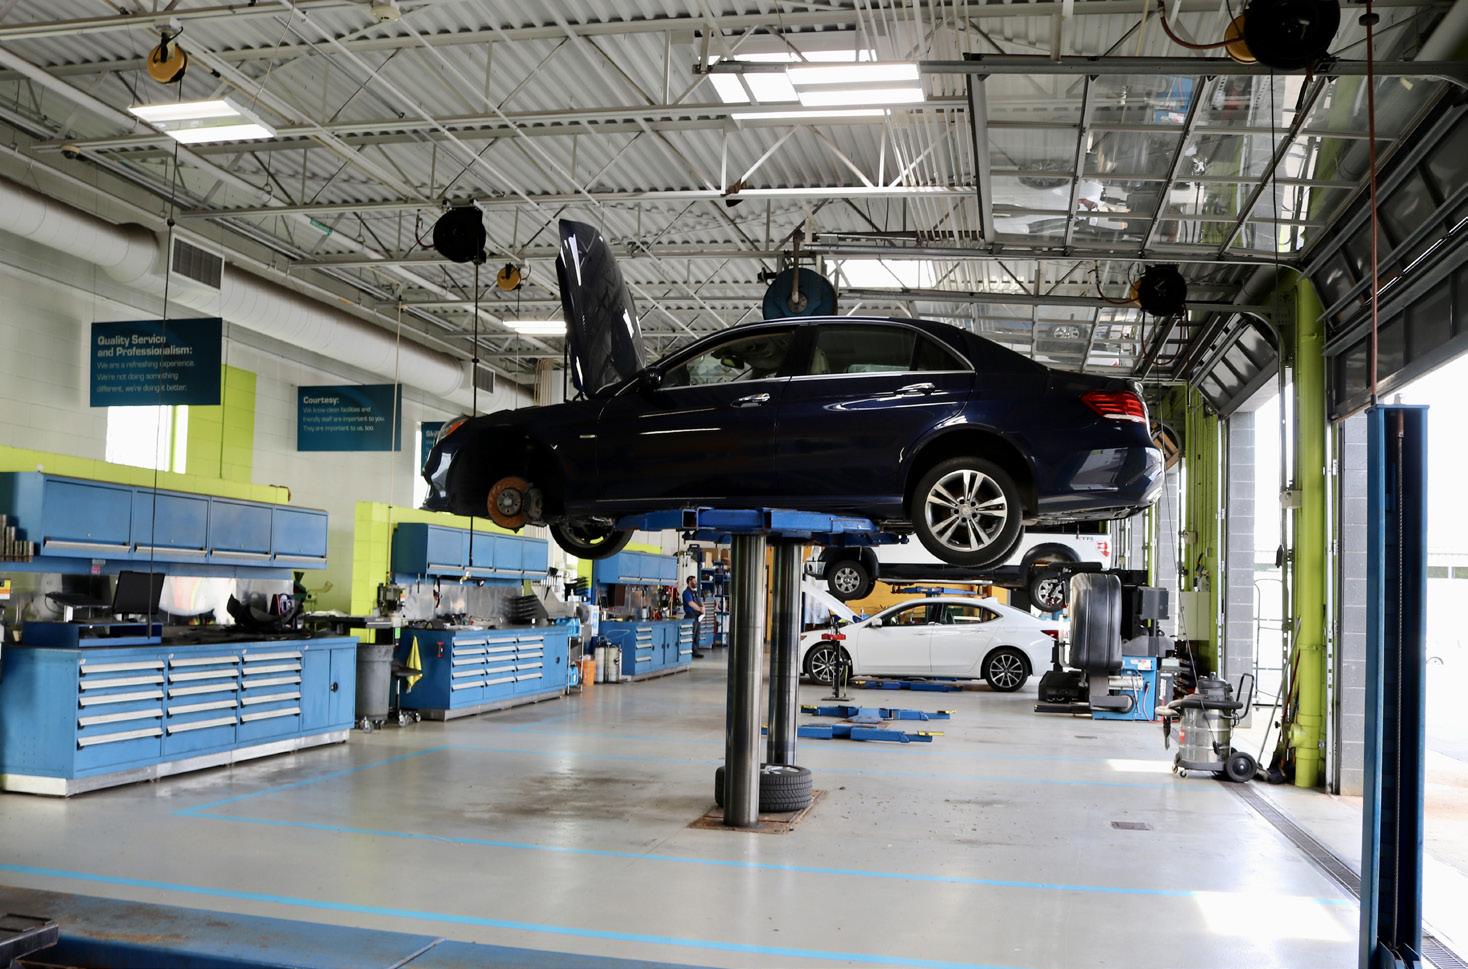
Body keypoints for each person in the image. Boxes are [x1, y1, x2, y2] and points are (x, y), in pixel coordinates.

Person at [681, 575, 706, 658]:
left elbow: (699, 601)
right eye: (694, 581)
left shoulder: (695, 593)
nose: (696, 583)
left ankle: (695, 651)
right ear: (689, 582)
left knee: (696, 635)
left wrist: (703, 608)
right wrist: (700, 609)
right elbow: (690, 603)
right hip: (690, 616)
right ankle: (689, 651)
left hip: (697, 616)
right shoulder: (686, 593)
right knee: (691, 634)